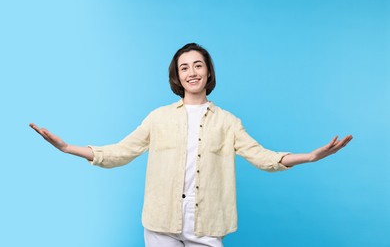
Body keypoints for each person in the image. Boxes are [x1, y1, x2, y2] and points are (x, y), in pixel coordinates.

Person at [30, 43, 353, 247]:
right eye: (184, 67)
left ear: (208, 71)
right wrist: (68, 148)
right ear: (177, 76)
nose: (191, 72)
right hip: (160, 225)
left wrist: (310, 156)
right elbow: (119, 152)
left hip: (208, 225)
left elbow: (263, 157)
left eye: (198, 65)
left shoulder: (228, 121)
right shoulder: (157, 118)